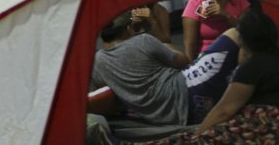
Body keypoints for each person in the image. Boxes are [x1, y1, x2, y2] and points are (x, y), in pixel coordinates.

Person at [156, 9, 279, 143]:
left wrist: (197, 136)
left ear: (243, 39)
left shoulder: (253, 66)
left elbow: (223, 111)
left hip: (265, 125)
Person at [90, 10, 242, 127]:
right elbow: (184, 61)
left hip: (161, 118)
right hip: (187, 92)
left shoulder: (96, 63)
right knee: (235, 34)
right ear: (128, 29)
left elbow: (99, 99)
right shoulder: (142, 41)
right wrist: (165, 45)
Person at [182, 0, 250, 62]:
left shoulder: (239, 0)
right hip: (207, 57)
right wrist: (191, 67)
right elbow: (190, 43)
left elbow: (247, 32)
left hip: (236, 54)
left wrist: (226, 15)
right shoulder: (196, 1)